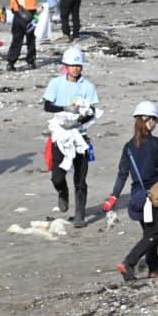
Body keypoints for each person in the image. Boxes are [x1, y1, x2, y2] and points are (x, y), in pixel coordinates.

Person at [101, 101, 158, 281]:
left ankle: (153, 269)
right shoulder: (157, 144)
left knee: (149, 234)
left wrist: (113, 197)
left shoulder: (128, 147)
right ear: (149, 120)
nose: (155, 124)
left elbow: (122, 174)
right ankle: (129, 263)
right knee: (153, 234)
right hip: (155, 195)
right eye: (155, 120)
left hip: (137, 197)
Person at [43, 47, 100, 226]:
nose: (76, 68)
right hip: (60, 135)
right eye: (72, 65)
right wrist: (64, 109)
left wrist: (80, 121)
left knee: (80, 179)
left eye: (78, 65)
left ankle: (80, 215)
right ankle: (62, 192)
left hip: (79, 136)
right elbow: (47, 106)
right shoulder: (56, 83)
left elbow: (92, 111)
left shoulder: (87, 86)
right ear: (65, 66)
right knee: (57, 176)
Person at [5, 0, 37, 71]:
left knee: (16, 41)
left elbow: (12, 9)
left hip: (17, 19)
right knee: (30, 41)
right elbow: (32, 10)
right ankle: (30, 61)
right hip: (27, 20)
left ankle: (11, 62)